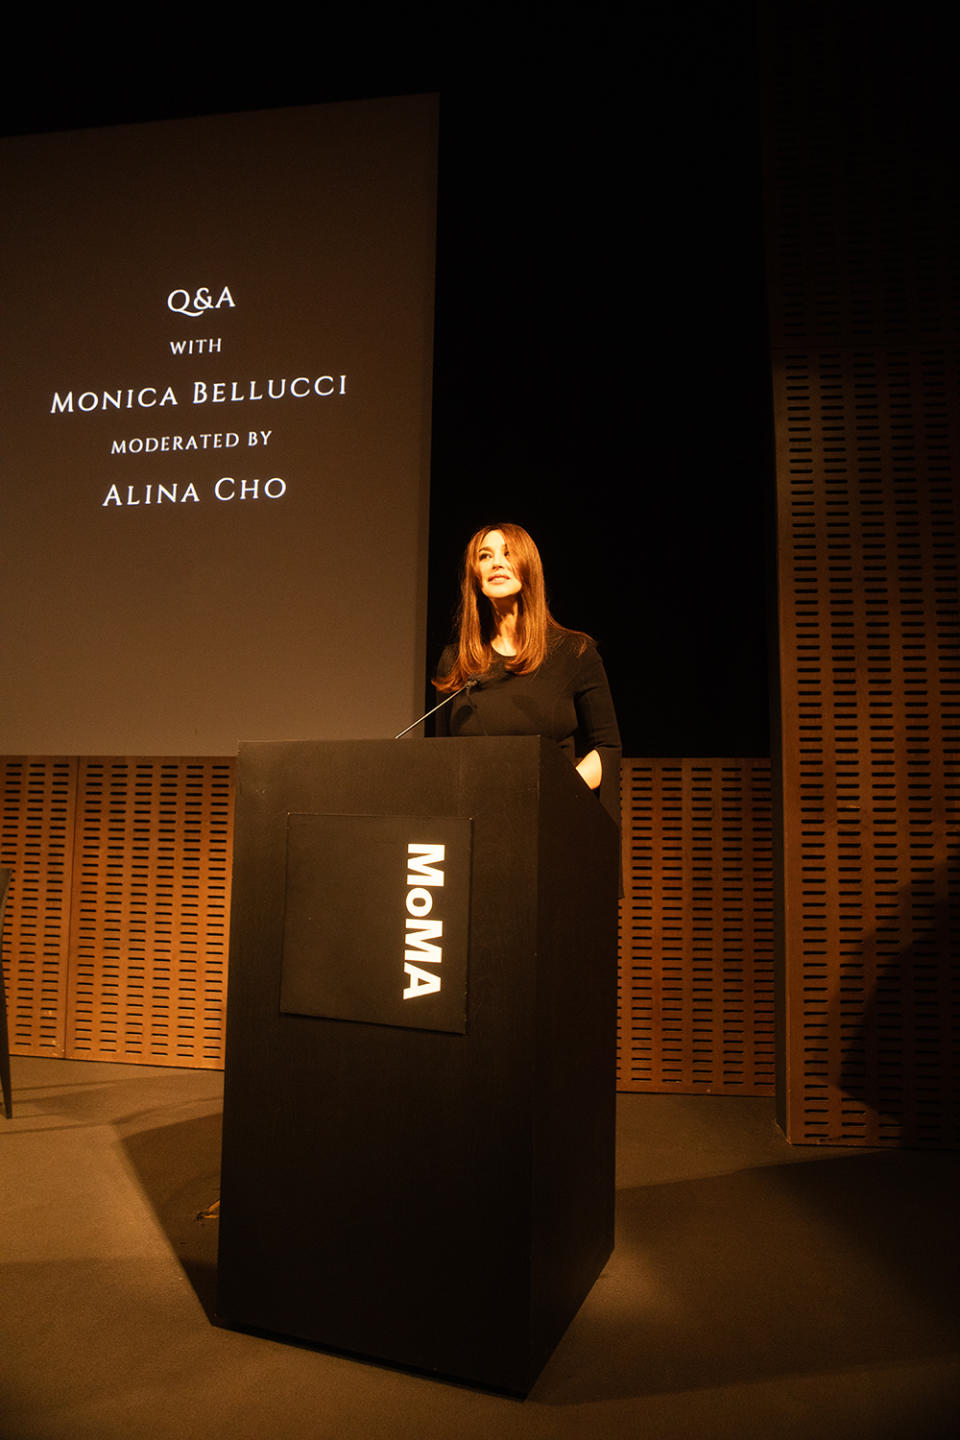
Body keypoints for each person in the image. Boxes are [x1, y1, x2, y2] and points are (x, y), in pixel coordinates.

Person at [433, 523, 621, 825]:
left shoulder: (575, 652)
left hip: (553, 819)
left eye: (508, 553)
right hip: (478, 823)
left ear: (528, 566)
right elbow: (442, 761)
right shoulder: (457, 661)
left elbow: (607, 749)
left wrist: (554, 791)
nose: (496, 562)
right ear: (475, 576)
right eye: (485, 556)